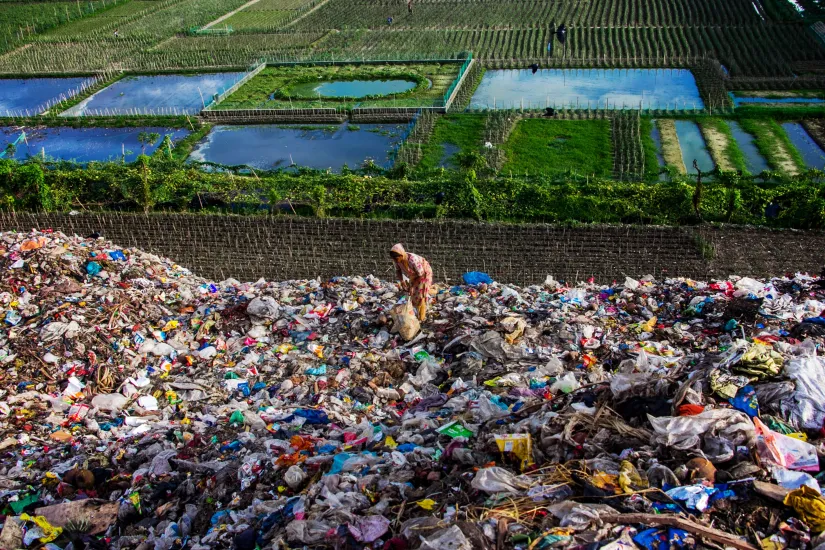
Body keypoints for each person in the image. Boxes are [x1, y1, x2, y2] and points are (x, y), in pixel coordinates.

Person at [390, 243, 432, 321]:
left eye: (396, 258)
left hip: (424, 274)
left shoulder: (412, 259)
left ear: (401, 255)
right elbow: (398, 270)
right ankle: (416, 312)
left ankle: (421, 317)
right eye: (393, 259)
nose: (395, 260)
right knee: (413, 294)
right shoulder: (398, 260)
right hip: (414, 275)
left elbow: (420, 274)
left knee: (420, 294)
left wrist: (412, 286)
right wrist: (402, 281)